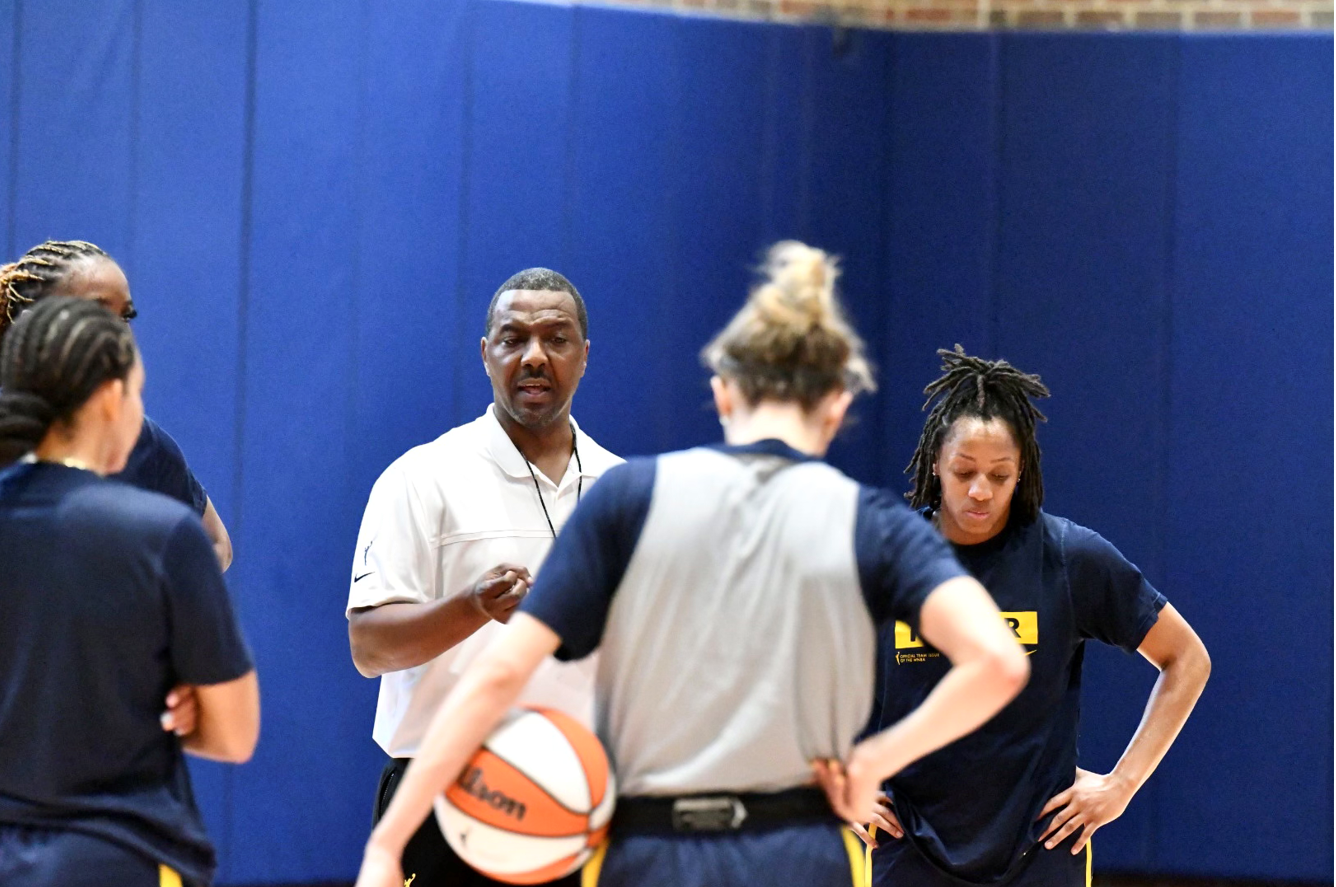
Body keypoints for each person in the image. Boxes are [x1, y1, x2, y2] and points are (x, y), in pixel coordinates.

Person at [353, 242, 1030, 887]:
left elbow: (501, 672)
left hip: (654, 840)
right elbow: (998, 663)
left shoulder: (633, 495)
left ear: (723, 393)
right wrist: (874, 760)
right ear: (837, 405)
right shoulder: (871, 521)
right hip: (796, 840)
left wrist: (387, 842)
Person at [861, 346, 1211, 886]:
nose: (980, 490)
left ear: (1021, 470)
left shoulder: (1070, 558)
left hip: (1040, 856)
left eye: (999, 475)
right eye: (963, 471)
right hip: (910, 855)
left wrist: (1122, 785)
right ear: (934, 463)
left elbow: (1186, 658)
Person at [346, 268, 622, 887]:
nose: (534, 356)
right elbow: (369, 647)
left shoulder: (622, 489)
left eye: (556, 338)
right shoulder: (421, 477)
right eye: (513, 338)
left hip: (581, 793)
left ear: (584, 355)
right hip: (445, 797)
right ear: (485, 353)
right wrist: (472, 607)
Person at [0, 297, 259, 887]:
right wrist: (162, 709)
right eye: (138, 392)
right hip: (116, 855)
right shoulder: (162, 535)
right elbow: (234, 734)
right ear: (112, 398)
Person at [0, 239, 233, 571]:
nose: (117, 336)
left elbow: (216, 544)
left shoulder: (143, 443)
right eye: (95, 314)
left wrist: (151, 588)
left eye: (124, 318)